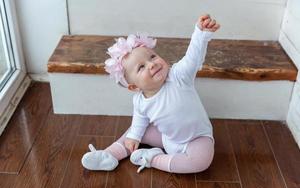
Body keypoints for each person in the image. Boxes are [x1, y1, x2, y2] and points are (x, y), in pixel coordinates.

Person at [81, 14, 220, 173]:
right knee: (134, 131)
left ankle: (152, 158)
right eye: (141, 67)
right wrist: (134, 136)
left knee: (200, 161)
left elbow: (192, 58)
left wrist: (200, 33)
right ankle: (109, 154)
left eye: (152, 56)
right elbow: (139, 120)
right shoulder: (140, 101)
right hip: (166, 138)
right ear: (134, 87)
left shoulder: (178, 76)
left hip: (196, 139)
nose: (152, 64)